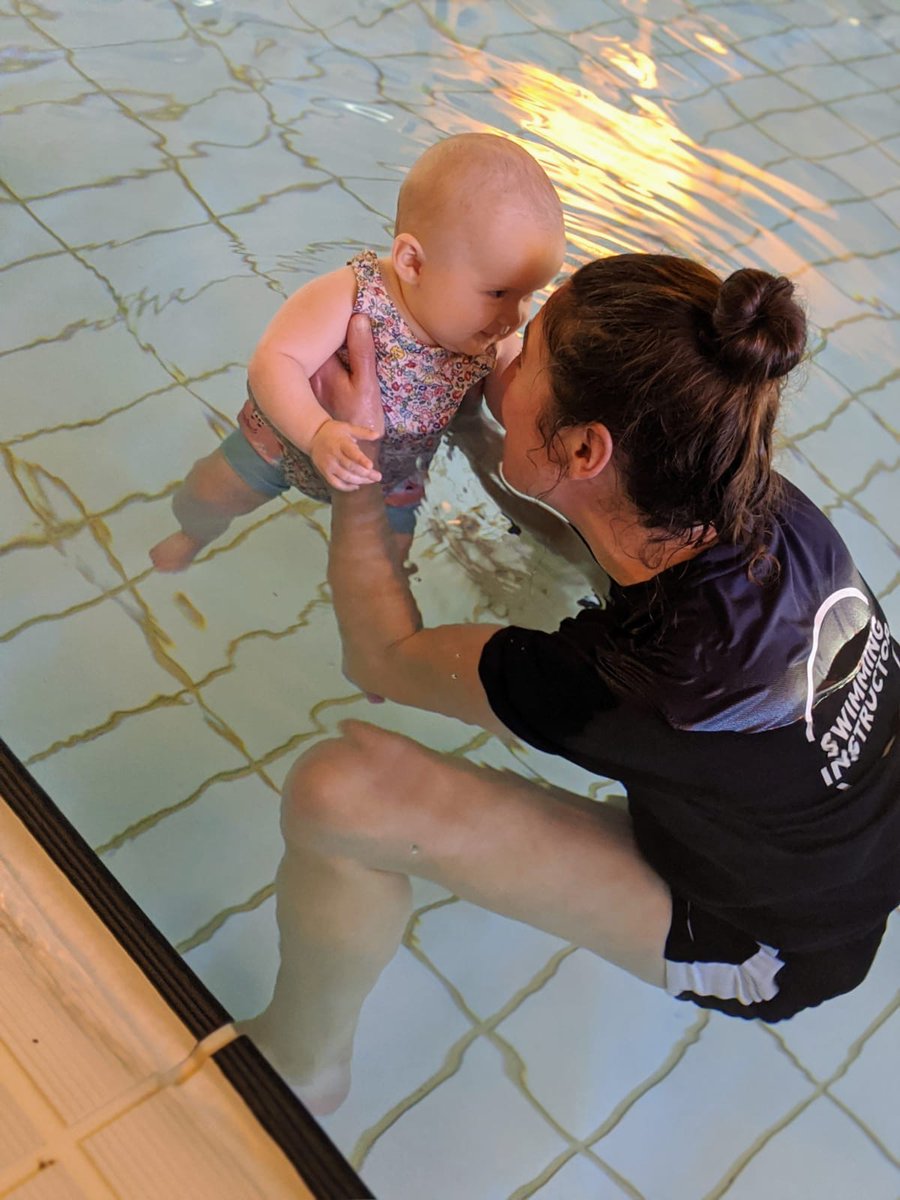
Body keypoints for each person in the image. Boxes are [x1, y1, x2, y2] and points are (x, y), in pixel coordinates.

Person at [239, 254, 900, 1115]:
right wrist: (480, 434)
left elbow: (382, 656)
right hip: (849, 839)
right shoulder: (750, 498)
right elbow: (594, 540)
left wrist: (370, 456)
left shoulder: (639, 680)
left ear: (587, 449)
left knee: (339, 794)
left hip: (770, 942)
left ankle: (302, 1066)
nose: (500, 352)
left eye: (527, 356)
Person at [149, 133, 565, 572]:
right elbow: (274, 361)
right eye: (498, 292)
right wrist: (316, 433)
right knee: (210, 494)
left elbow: (517, 404)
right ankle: (193, 533)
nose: (515, 316)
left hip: (391, 477)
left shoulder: (491, 336)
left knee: (388, 560)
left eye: (528, 295)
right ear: (413, 263)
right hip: (284, 445)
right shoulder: (356, 296)